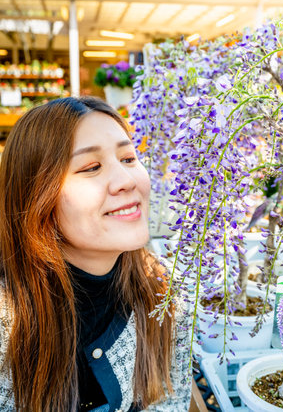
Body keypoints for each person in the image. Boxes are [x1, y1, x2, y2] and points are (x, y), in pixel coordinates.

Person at [0, 96, 192, 412]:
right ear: (36, 196)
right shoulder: (10, 319)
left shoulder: (165, 291)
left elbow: (170, 400)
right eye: (92, 167)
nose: (127, 181)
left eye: (129, 158)